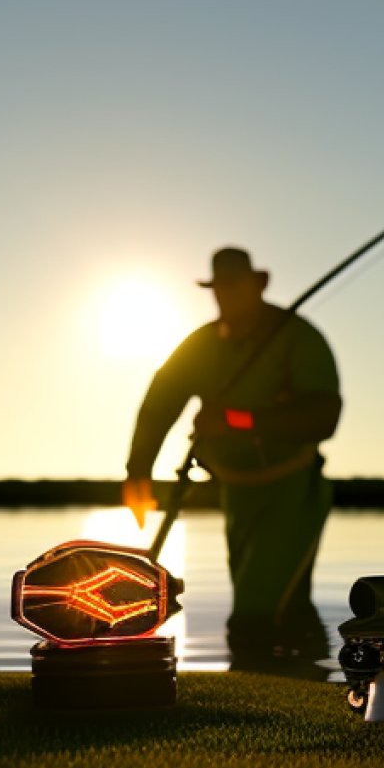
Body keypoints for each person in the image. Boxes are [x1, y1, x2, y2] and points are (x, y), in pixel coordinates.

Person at [123, 248, 341, 665]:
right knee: (280, 597)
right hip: (235, 492)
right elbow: (160, 403)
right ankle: (309, 678)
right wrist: (137, 469)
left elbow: (323, 416)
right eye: (219, 287)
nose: (227, 296)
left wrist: (238, 420)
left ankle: (257, 675)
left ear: (259, 285)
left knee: (257, 603)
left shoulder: (297, 336)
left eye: (236, 285)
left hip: (293, 489)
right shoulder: (201, 344)